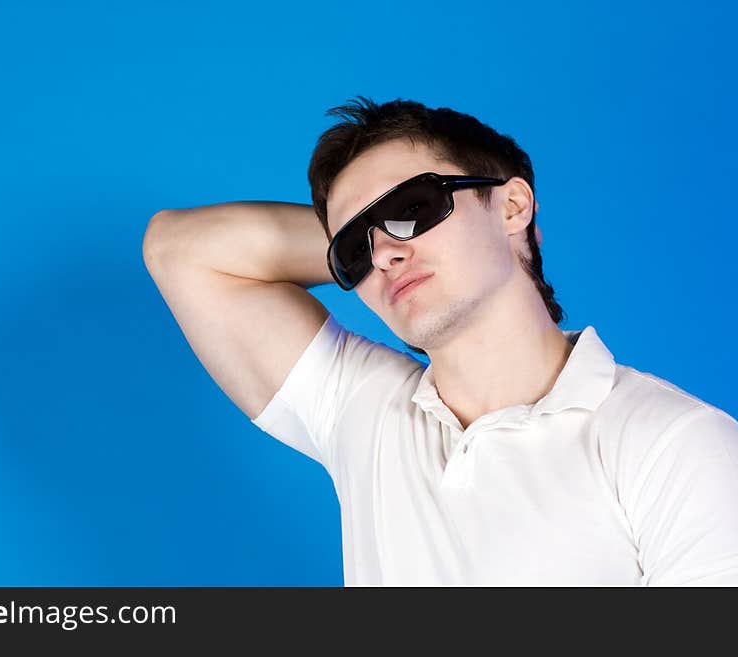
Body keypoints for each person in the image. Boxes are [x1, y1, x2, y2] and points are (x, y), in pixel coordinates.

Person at [142, 96, 738, 586]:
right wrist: (388, 240)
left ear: (512, 205)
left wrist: (387, 238)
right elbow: (180, 250)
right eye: (355, 248)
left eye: (413, 208)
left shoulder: (675, 445)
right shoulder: (365, 410)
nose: (383, 252)